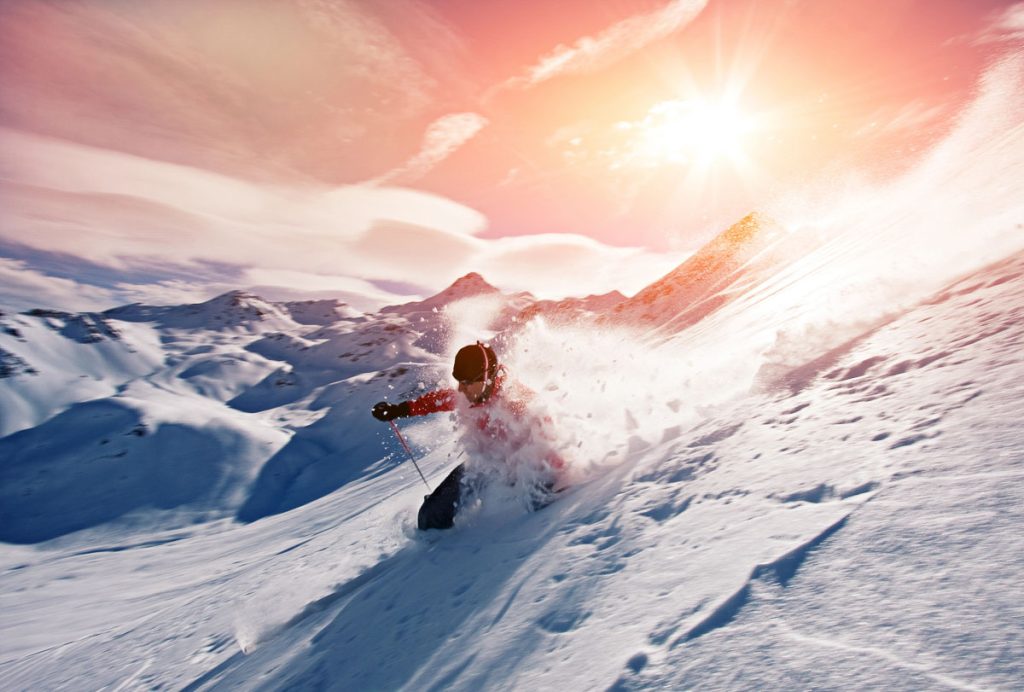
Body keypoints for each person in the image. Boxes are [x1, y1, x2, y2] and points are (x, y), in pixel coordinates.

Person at [372, 342, 564, 530]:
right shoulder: (470, 394)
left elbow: (547, 438)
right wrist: (399, 409)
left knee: (538, 504)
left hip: (524, 470)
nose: (461, 389)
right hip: (484, 465)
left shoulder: (516, 401)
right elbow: (439, 400)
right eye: (460, 382)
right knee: (430, 517)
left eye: (467, 383)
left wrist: (551, 475)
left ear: (487, 377)